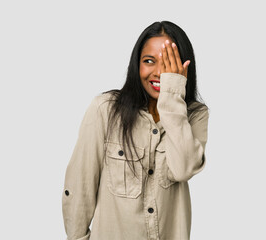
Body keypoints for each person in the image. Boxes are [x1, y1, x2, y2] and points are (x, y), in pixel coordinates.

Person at [62, 20, 210, 240]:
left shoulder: (195, 115)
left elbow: (183, 169)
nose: (159, 73)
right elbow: (79, 188)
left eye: (170, 64)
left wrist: (172, 95)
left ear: (184, 68)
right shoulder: (104, 110)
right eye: (149, 61)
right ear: (136, 64)